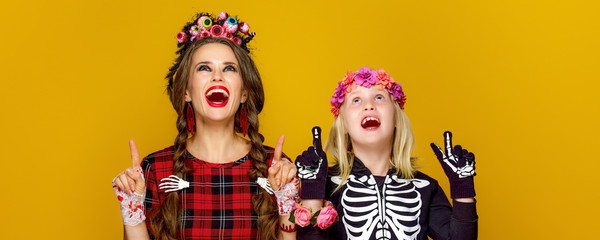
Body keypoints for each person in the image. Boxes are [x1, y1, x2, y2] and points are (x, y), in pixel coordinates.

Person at [111, 12, 299, 240]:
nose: (217, 77)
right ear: (187, 92)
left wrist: (286, 203)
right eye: (204, 68)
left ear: (244, 92)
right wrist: (132, 212)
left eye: (229, 68)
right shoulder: (155, 169)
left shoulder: (275, 168)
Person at [293, 67, 478, 239]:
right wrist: (312, 192)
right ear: (344, 127)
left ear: (397, 118)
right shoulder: (325, 184)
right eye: (356, 100)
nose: (369, 106)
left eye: (379, 97)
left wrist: (463, 189)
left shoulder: (425, 187)